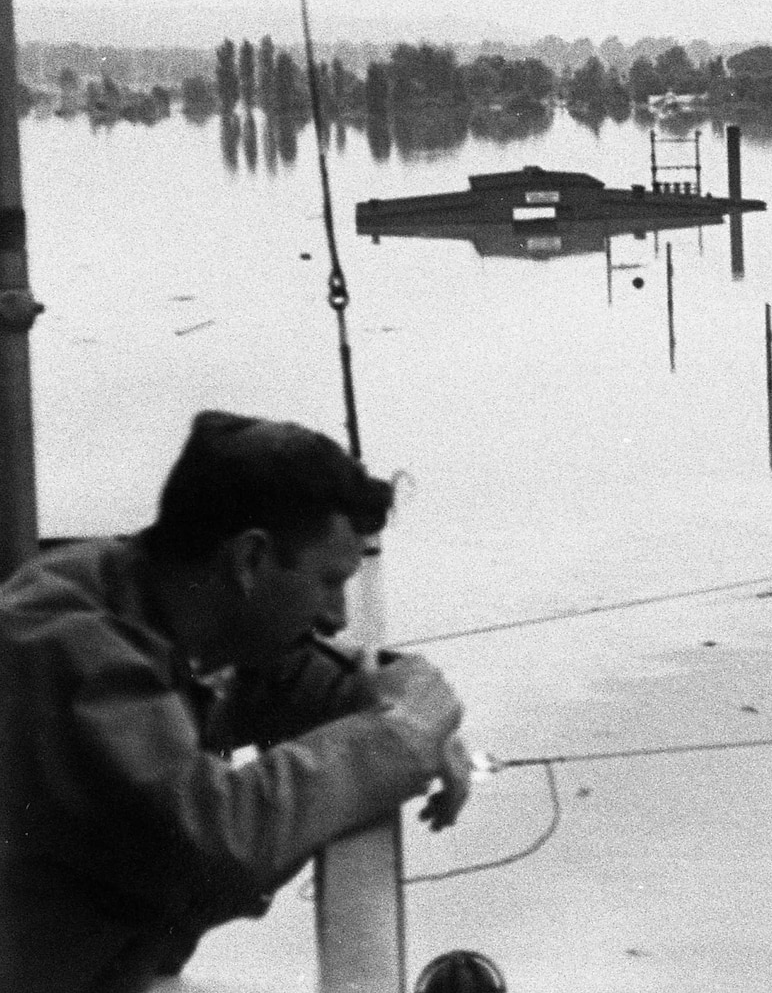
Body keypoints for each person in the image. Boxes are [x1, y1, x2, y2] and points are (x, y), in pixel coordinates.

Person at [0, 410, 474, 992]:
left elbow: (272, 679)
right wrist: (399, 739)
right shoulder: (64, 649)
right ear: (250, 561)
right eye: (328, 581)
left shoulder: (137, 598)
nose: (337, 617)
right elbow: (216, 844)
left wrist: (401, 700)